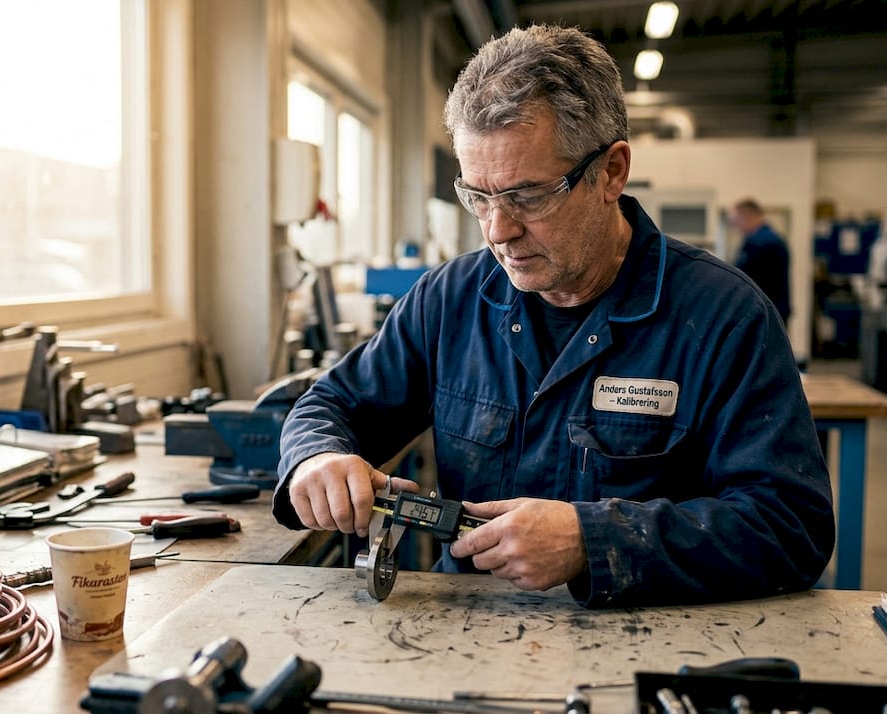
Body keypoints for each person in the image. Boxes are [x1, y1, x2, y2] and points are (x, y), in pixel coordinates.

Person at [271, 25, 834, 608]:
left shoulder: (724, 318)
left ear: (612, 172)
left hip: (643, 648)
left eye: (527, 196)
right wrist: (319, 456)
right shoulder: (451, 299)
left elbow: (791, 524)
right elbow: (330, 403)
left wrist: (596, 540)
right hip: (467, 636)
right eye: (479, 197)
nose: (497, 231)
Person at [731, 197, 791, 325]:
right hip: (776, 311)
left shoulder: (757, 242)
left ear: (746, 216)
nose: (737, 228)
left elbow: (739, 277)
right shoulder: (775, 239)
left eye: (737, 222)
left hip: (763, 314)